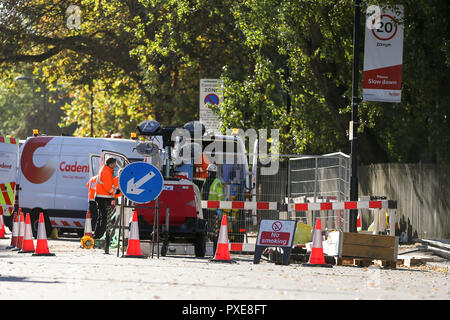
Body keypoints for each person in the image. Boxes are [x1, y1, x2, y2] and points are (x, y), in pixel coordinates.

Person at [201, 163, 225, 254]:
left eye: (208, 172)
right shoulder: (205, 181)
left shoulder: (217, 183)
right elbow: (202, 193)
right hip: (204, 209)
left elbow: (220, 196)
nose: (207, 173)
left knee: (213, 232)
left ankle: (215, 252)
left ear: (212, 173)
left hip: (213, 211)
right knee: (204, 231)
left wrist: (219, 208)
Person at [94, 157, 117, 240]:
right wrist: (115, 192)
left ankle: (98, 235)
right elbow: (108, 187)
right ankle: (101, 235)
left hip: (101, 197)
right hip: (103, 197)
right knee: (104, 217)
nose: (115, 165)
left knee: (102, 216)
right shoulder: (107, 172)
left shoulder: (106, 170)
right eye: (115, 163)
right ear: (111, 164)